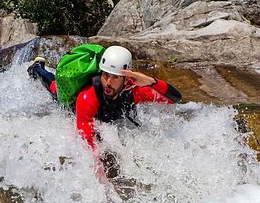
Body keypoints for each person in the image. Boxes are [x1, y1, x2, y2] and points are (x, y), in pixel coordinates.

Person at [28, 45, 182, 150]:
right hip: (75, 106)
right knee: (53, 85)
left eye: (115, 77)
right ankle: (37, 68)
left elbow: (174, 98)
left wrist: (151, 81)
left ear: (126, 79)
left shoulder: (134, 92)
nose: (108, 83)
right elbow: (88, 144)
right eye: (105, 75)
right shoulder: (87, 97)